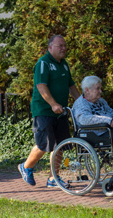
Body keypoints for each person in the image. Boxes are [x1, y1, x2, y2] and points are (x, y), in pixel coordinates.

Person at [18, 35, 81, 188]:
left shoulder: (64, 65)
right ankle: (26, 166)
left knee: (61, 144)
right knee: (44, 144)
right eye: (60, 45)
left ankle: (53, 178)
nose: (64, 48)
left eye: (65, 45)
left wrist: (81, 103)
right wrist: (53, 104)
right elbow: (41, 86)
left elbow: (71, 86)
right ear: (50, 47)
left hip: (60, 112)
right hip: (44, 110)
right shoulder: (43, 63)